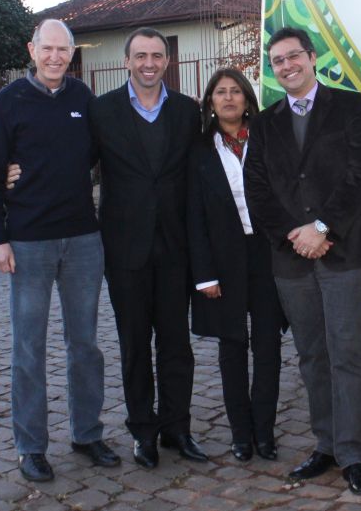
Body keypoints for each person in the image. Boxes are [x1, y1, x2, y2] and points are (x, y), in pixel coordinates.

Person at [244, 26, 361, 496]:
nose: (286, 66)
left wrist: (323, 228)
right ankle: (325, 445)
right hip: (292, 258)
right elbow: (258, 190)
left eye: (293, 57)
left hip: (341, 249)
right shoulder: (265, 124)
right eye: (277, 61)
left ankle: (352, 454)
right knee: (311, 355)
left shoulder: (350, 107)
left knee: (346, 353)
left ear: (311, 57)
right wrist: (295, 235)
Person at [0, 19, 120, 483]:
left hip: (83, 239)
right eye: (48, 48)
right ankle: (31, 447)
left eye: (64, 49)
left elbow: (101, 156)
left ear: (73, 53)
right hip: (28, 242)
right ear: (32, 50)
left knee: (85, 346)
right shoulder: (8, 101)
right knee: (28, 348)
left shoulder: (83, 99)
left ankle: (87, 432)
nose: (56, 56)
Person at [88, 27, 205, 468]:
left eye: (157, 55)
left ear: (168, 61)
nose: (149, 63)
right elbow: (73, 163)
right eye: (141, 55)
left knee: (177, 345)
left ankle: (178, 428)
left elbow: (201, 174)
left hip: (176, 249)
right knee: (135, 345)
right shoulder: (102, 111)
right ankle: (143, 431)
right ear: (127, 61)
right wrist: (18, 171)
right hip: (125, 252)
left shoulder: (187, 112)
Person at [187, 68, 287, 462]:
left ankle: (264, 433)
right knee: (232, 348)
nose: (228, 98)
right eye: (220, 92)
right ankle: (240, 435)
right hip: (223, 260)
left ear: (247, 98)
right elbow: (193, 215)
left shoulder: (268, 140)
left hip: (266, 255)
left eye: (235, 92)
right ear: (210, 102)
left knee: (268, 347)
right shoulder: (198, 150)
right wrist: (204, 275)